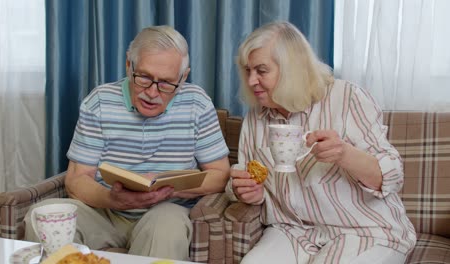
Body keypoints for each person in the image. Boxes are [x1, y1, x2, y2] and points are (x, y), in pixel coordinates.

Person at [24, 25, 230, 261]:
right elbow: (77, 180)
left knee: (167, 225)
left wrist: (166, 186)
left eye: (166, 83)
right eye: (143, 77)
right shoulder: (99, 102)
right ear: (128, 65)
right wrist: (112, 199)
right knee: (38, 215)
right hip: (105, 213)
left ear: (183, 77)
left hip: (165, 212)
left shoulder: (197, 104)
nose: (152, 93)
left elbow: (220, 175)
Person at [226, 21, 416, 264]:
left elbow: (392, 177)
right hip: (292, 231)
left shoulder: (347, 98)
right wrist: (246, 192)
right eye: (247, 71)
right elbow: (242, 176)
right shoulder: (256, 117)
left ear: (292, 68)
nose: (251, 81)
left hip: (366, 230)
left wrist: (344, 154)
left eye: (261, 71)